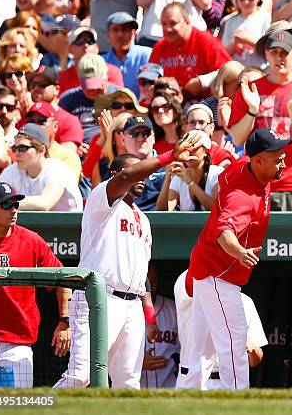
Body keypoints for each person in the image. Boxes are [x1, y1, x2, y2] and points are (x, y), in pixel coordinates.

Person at [53, 131, 204, 389]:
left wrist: (150, 317)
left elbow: (142, 274)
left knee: (129, 383)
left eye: (142, 172)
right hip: (100, 298)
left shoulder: (143, 219)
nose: (142, 177)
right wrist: (168, 156)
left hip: (132, 304)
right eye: (137, 172)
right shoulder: (103, 198)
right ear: (116, 175)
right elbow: (126, 176)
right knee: (81, 377)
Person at [185, 128, 290, 390]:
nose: (283, 161)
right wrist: (240, 252)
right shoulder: (243, 196)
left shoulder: (245, 164)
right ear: (258, 160)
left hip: (205, 268)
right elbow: (224, 234)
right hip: (218, 274)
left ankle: (185, 392)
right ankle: (238, 397)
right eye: (277, 157)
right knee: (234, 340)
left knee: (199, 348)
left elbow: (223, 177)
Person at [228, 30, 292, 211]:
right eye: (274, 52)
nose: (279, 58)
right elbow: (238, 139)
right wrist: (252, 110)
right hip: (256, 182)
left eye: (284, 53)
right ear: (266, 54)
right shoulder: (252, 89)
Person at [0, 182, 71, 388]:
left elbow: (63, 280)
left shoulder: (31, 240)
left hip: (18, 342)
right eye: (5, 205)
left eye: (15, 204)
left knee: (16, 406)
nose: (13, 210)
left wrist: (64, 321)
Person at [173, 268, 268, 390]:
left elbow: (255, 360)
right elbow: (197, 274)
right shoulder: (190, 288)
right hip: (192, 379)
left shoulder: (245, 301)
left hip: (229, 382)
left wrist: (250, 348)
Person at [149, 3, 231, 99]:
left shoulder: (206, 42)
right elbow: (149, 79)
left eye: (173, 23)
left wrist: (201, 82)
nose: (168, 29)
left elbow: (229, 71)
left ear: (187, 21)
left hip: (205, 103)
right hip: (170, 105)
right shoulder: (160, 48)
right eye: (164, 24)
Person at [0, 123, 82, 212]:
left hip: (68, 225)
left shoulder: (57, 168)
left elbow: (45, 203)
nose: (17, 153)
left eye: (23, 148)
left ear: (41, 150)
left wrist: (7, 200)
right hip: (34, 224)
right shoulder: (13, 170)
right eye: (15, 148)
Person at [59, 53, 121, 146]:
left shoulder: (121, 96)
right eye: (90, 86)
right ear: (80, 81)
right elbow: (62, 130)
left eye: (98, 84)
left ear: (106, 77)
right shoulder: (68, 99)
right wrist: (76, 145)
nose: (95, 90)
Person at [156, 130, 223, 211]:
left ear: (206, 151)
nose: (189, 152)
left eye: (194, 147)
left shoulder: (217, 173)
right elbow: (162, 212)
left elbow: (216, 209)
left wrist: (189, 181)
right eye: (185, 148)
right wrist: (168, 178)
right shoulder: (179, 176)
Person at [140, 264, 180, 389]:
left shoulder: (174, 310)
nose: (151, 287)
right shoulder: (123, 310)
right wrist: (137, 364)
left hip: (169, 389)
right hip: (132, 390)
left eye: (154, 281)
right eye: (147, 283)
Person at [28, 66, 83, 151]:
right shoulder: (27, 117)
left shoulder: (69, 120)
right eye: (33, 84)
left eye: (42, 84)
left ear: (56, 90)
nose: (36, 88)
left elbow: (67, 155)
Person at [219, 0, 271, 67]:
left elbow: (271, 51)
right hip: (234, 74)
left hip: (258, 71)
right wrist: (234, 44)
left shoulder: (266, 19)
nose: (246, 2)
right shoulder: (228, 21)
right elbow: (222, 55)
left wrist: (249, 41)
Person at [24, 102, 82, 182]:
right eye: (31, 121)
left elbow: (66, 190)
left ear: (55, 126)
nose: (35, 126)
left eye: (42, 121)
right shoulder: (20, 151)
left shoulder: (68, 156)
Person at [58, 26, 124, 94]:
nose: (86, 45)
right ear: (70, 49)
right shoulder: (64, 76)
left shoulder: (112, 72)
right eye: (79, 41)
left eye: (90, 40)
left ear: (97, 48)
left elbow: (119, 100)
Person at [102, 12, 153, 99]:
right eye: (115, 29)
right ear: (108, 34)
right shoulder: (102, 62)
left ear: (133, 33)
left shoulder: (147, 55)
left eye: (125, 29)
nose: (120, 34)